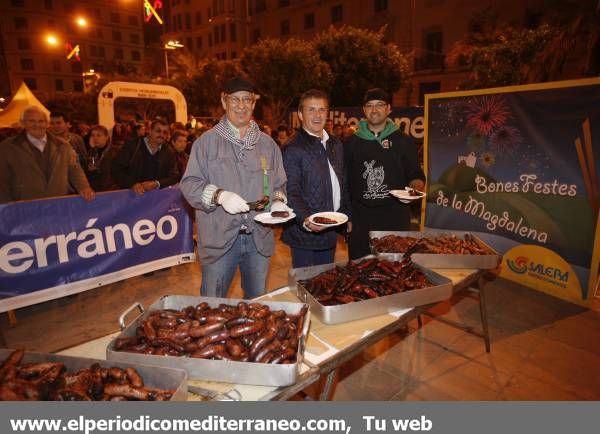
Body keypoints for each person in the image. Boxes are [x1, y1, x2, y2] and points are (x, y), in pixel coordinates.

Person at [180, 77, 289, 299]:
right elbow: (189, 184)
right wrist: (220, 196)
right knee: (213, 304)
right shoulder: (206, 143)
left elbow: (279, 184)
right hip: (219, 238)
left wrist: (278, 200)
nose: (241, 105)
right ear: (223, 102)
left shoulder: (268, 145)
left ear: (254, 104)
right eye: (235, 99)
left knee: (256, 303)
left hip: (259, 238)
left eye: (247, 99)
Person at [345, 88, 426, 259]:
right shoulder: (351, 143)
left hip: (394, 217)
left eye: (380, 105)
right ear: (364, 110)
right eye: (369, 105)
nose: (374, 110)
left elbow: (415, 175)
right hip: (361, 220)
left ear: (389, 109)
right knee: (358, 269)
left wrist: (415, 189)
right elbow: (344, 182)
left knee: (394, 271)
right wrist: (346, 214)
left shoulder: (403, 141)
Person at [281, 89, 349, 268]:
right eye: (311, 109)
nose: (317, 115)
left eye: (322, 110)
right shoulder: (292, 148)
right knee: (306, 287)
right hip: (305, 234)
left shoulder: (336, 144)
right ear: (300, 115)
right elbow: (291, 191)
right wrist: (306, 219)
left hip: (330, 229)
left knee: (325, 285)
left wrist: (346, 215)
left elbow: (342, 183)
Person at [0, 106, 95, 203]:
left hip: (57, 204)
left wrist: (84, 187)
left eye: (41, 121)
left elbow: (75, 169)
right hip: (24, 207)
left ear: (47, 124)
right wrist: (6, 207)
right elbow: (2, 180)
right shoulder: (7, 147)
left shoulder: (63, 146)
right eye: (31, 121)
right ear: (23, 123)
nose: (37, 125)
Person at [111, 118, 180, 195]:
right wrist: (132, 184)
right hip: (131, 197)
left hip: (156, 199)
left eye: (165, 132)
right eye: (158, 131)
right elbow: (116, 169)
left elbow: (174, 176)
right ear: (150, 131)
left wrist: (157, 184)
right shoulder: (132, 146)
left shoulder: (168, 151)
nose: (161, 135)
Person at [82, 125, 117, 191]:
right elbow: (88, 174)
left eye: (99, 135)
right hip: (96, 190)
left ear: (106, 137)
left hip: (111, 190)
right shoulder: (91, 152)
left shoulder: (115, 152)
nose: (95, 138)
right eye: (93, 135)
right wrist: (89, 170)